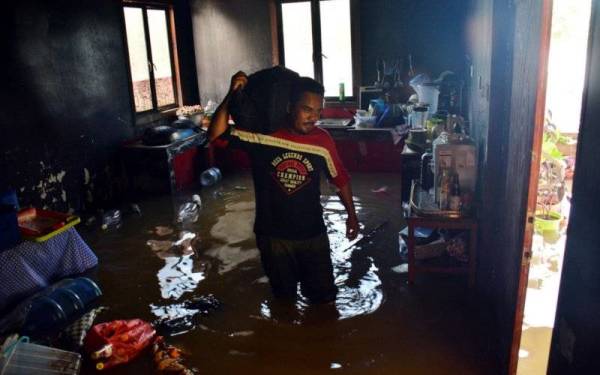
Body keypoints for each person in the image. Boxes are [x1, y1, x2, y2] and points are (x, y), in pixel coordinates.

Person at [208, 71, 359, 304]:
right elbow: (216, 135)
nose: (314, 118)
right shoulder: (261, 136)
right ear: (289, 106)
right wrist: (232, 94)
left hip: (313, 235)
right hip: (273, 238)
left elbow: (340, 179)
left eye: (318, 111)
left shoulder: (322, 141)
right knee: (284, 301)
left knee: (324, 302)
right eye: (307, 109)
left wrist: (352, 216)